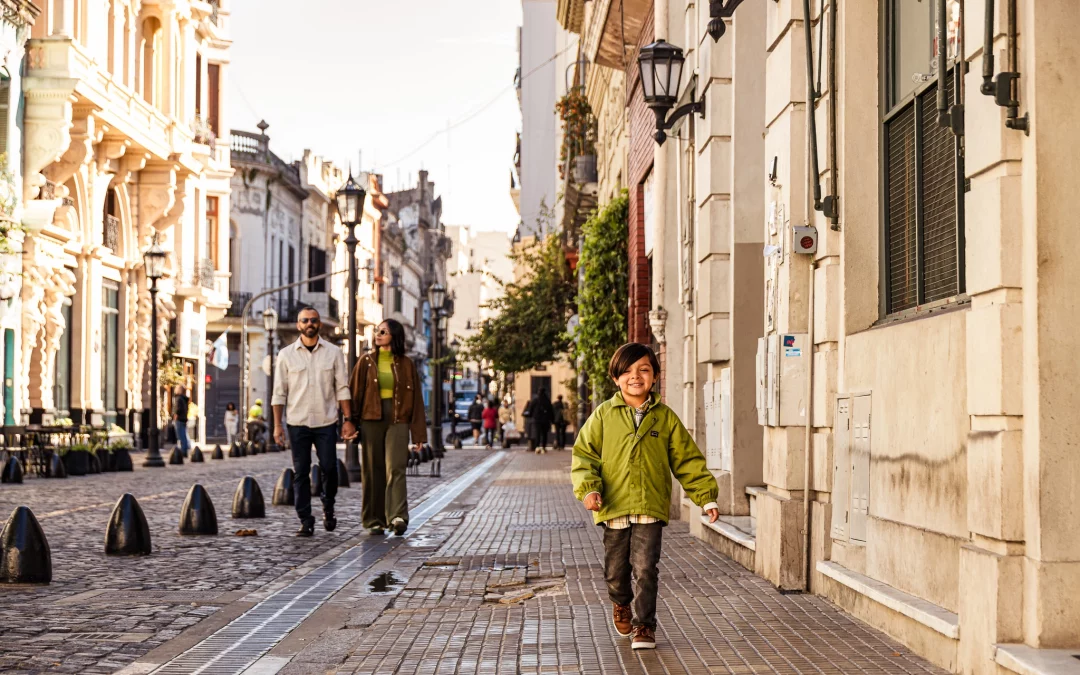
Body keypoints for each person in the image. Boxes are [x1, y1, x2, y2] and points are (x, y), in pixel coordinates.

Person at [571, 343, 720, 651]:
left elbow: (687, 460)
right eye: (626, 371)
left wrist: (706, 497)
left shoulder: (665, 418)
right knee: (615, 571)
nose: (635, 377)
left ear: (655, 377)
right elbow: (584, 456)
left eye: (643, 370)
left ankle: (644, 626)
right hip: (613, 507)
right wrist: (590, 489)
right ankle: (621, 603)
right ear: (616, 378)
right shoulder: (603, 416)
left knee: (645, 568)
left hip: (649, 507)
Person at [272, 306, 355, 537]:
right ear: (299, 325)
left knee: (329, 467)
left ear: (319, 324)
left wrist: (348, 420)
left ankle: (328, 507)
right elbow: (279, 393)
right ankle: (306, 520)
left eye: (314, 320)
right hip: (297, 422)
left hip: (326, 421)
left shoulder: (333, 353)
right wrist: (278, 425)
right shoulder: (286, 355)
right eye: (305, 320)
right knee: (300, 472)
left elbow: (342, 389)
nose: (310, 323)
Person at [350, 319, 427, 536]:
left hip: (398, 418)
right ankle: (374, 519)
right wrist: (350, 423)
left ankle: (397, 516)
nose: (378, 334)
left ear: (394, 335)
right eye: (377, 331)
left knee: (396, 467)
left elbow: (417, 401)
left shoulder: (406, 364)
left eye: (383, 331)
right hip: (370, 418)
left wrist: (419, 433)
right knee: (372, 469)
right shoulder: (365, 362)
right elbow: (354, 394)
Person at [529, 388, 554, 454]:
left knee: (537, 433)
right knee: (544, 434)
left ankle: (537, 447)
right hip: (545, 420)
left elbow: (530, 409)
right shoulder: (547, 401)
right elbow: (551, 411)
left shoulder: (535, 400)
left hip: (537, 420)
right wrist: (552, 419)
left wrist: (531, 415)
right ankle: (543, 447)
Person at [172, 385, 190, 456]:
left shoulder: (178, 399)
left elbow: (177, 409)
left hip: (179, 419)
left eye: (176, 388)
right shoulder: (184, 399)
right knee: (183, 435)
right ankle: (184, 451)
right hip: (183, 419)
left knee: (180, 436)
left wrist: (175, 417)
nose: (175, 389)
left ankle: (183, 452)